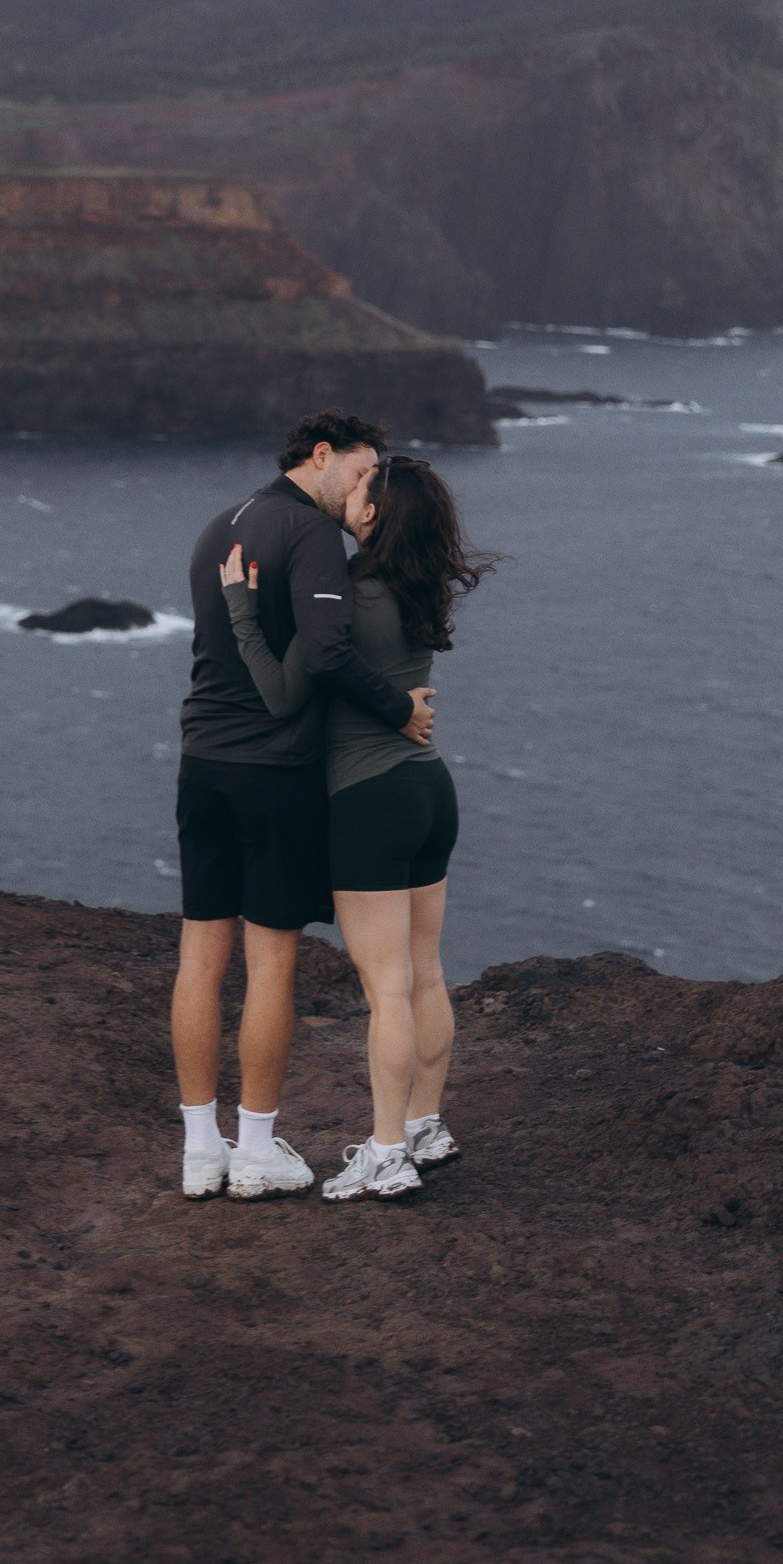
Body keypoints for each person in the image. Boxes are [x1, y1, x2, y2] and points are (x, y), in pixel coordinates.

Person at [172, 411, 434, 1200]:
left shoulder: (218, 526)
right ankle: (253, 1153)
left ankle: (198, 1153)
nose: (366, 491)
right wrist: (398, 709)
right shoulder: (310, 533)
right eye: (360, 473)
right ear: (321, 458)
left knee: (198, 956)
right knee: (270, 959)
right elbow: (324, 651)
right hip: (274, 768)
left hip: (200, 757)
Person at [222, 453, 489, 1202]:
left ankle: (385, 1151)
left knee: (388, 990)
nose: (351, 491)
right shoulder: (418, 590)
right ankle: (426, 1126)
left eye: (365, 487)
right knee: (427, 972)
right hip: (430, 791)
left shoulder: (343, 599)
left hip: (369, 800)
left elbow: (280, 694)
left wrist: (244, 613)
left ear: (377, 514)